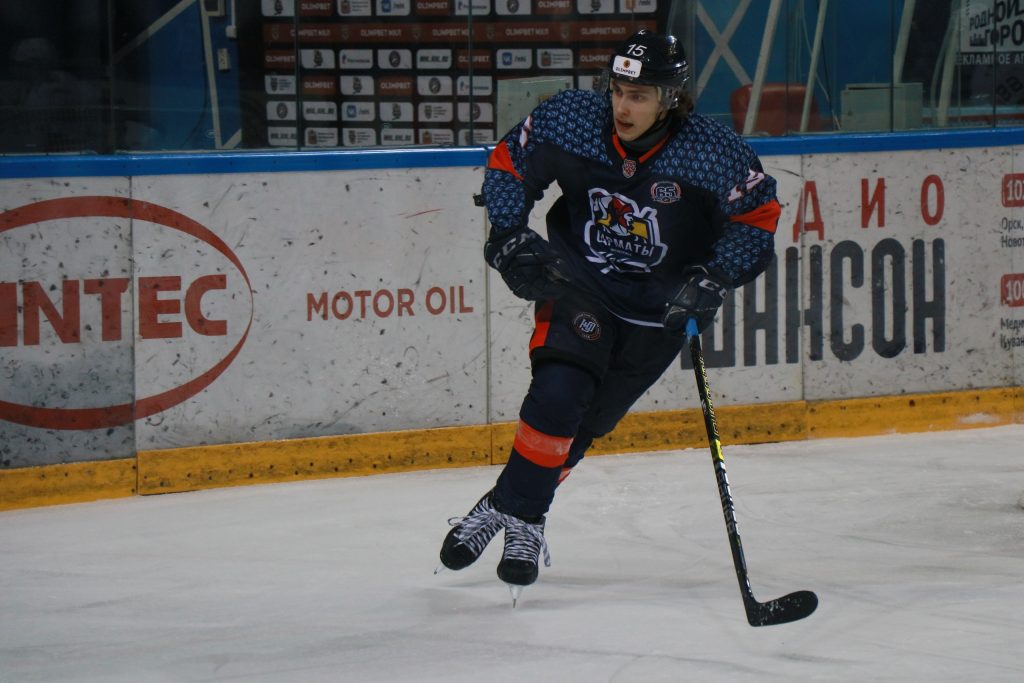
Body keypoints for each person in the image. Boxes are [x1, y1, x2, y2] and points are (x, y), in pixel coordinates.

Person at [439, 29, 781, 595]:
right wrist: (508, 232)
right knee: (558, 395)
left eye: (639, 96)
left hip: (657, 314)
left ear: (670, 99)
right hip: (580, 286)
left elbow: (757, 218)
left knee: (584, 426)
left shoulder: (712, 153)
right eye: (618, 90)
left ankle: (508, 504)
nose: (622, 106)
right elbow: (509, 162)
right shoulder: (574, 120)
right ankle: (526, 517)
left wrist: (714, 277)